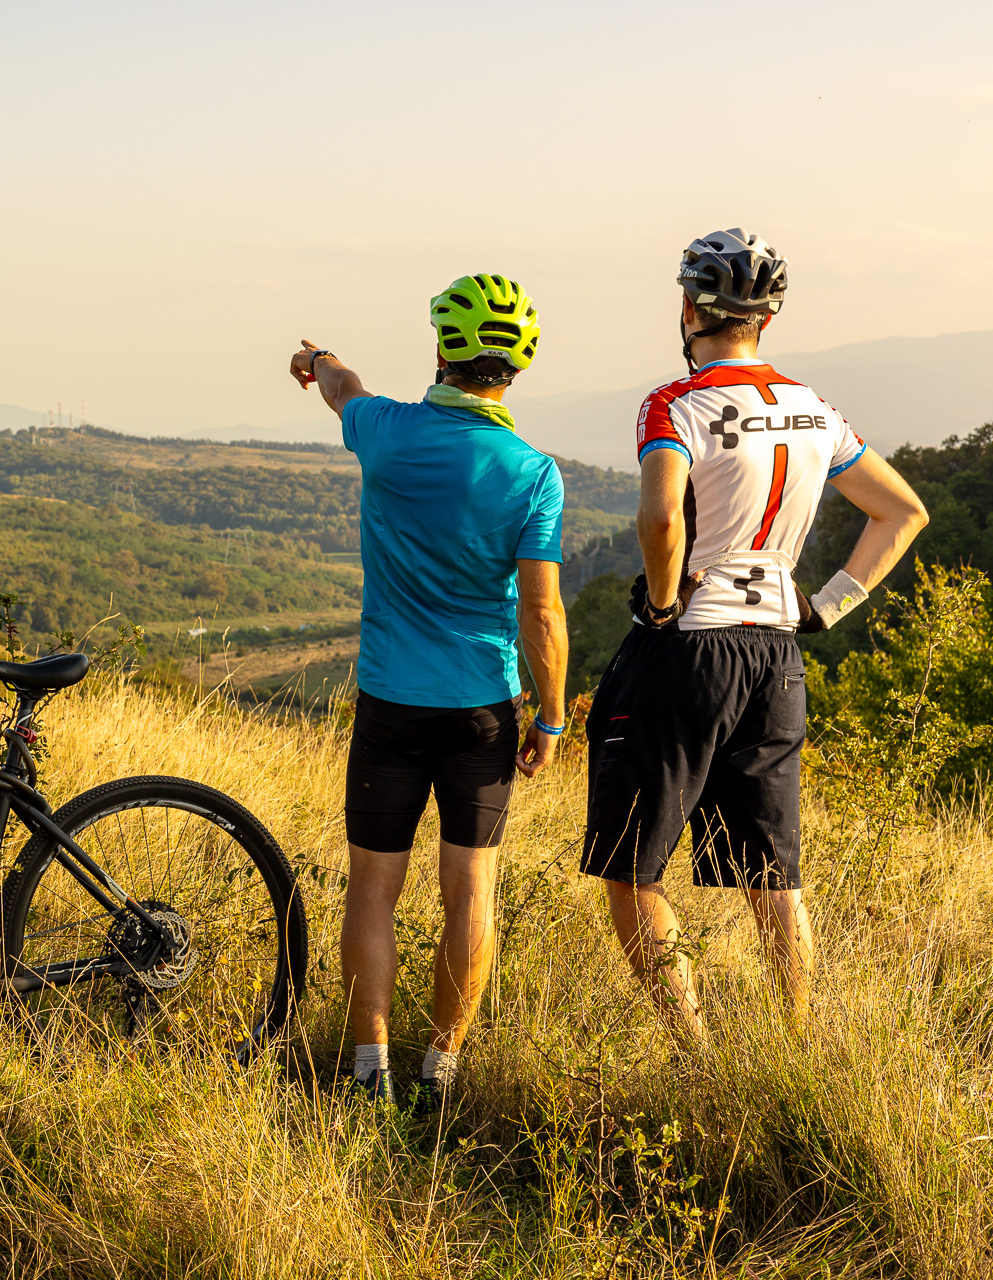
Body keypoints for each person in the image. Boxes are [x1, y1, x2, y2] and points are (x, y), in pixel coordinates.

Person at [580, 229, 928, 1038]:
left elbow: (663, 514)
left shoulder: (676, 403)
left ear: (690, 309)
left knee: (632, 869)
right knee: (773, 875)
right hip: (777, 649)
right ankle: (793, 1045)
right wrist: (831, 605)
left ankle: (694, 1054)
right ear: (767, 319)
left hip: (689, 643)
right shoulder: (817, 410)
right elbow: (901, 510)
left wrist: (662, 607)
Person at [288, 274, 569, 1113]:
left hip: (389, 704)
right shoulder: (534, 474)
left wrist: (315, 356)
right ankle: (440, 1071)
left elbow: (344, 388)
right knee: (470, 889)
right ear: (516, 367)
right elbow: (543, 610)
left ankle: (367, 1072)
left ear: (443, 349)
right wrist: (550, 717)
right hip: (484, 706)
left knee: (373, 887)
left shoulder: (385, 433)